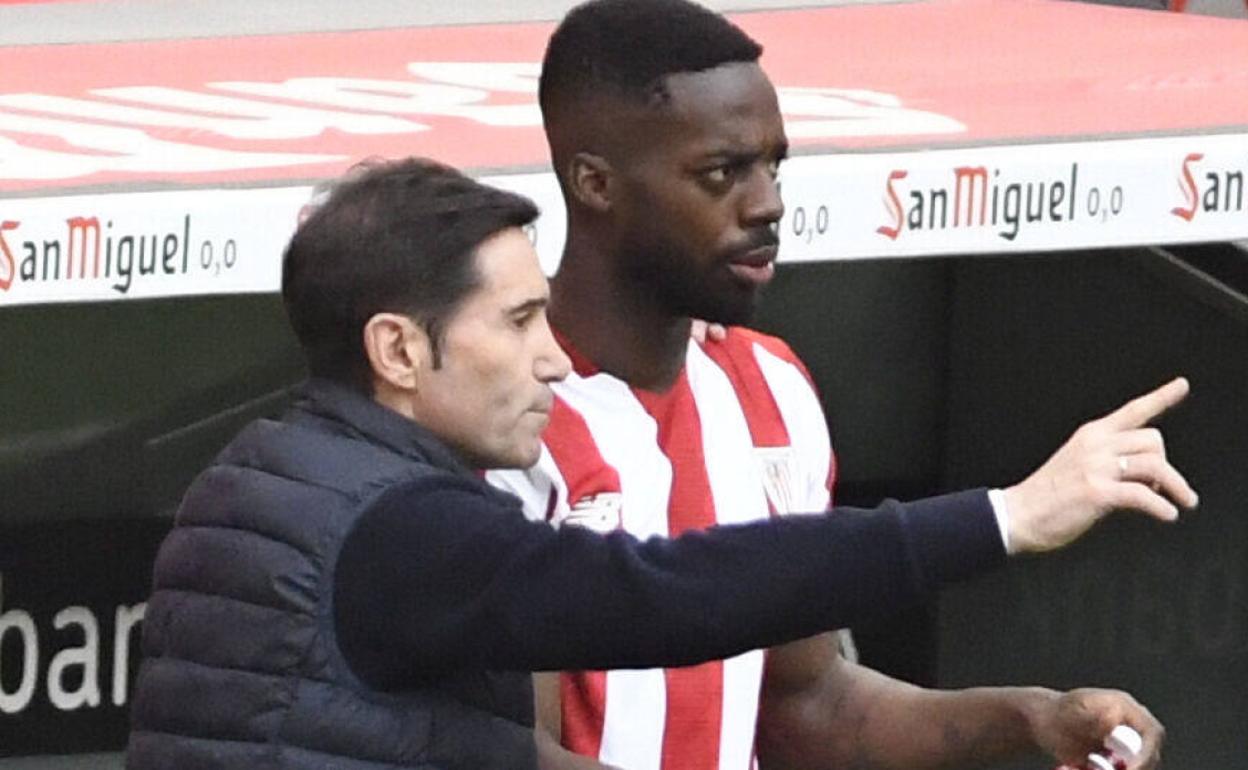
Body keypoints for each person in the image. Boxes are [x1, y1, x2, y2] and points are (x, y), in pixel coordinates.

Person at [124, 157, 1186, 770]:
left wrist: (1024, 714)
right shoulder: (402, 527)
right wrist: (1004, 515)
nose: (551, 355)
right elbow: (665, 594)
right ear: (400, 349)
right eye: (520, 319)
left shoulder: (268, 472)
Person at [485, 2, 1199, 769]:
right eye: (722, 173)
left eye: (773, 165)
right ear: (595, 183)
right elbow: (509, 754)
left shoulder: (772, 387)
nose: (767, 204)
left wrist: (1035, 717)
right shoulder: (496, 417)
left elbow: (808, 702)